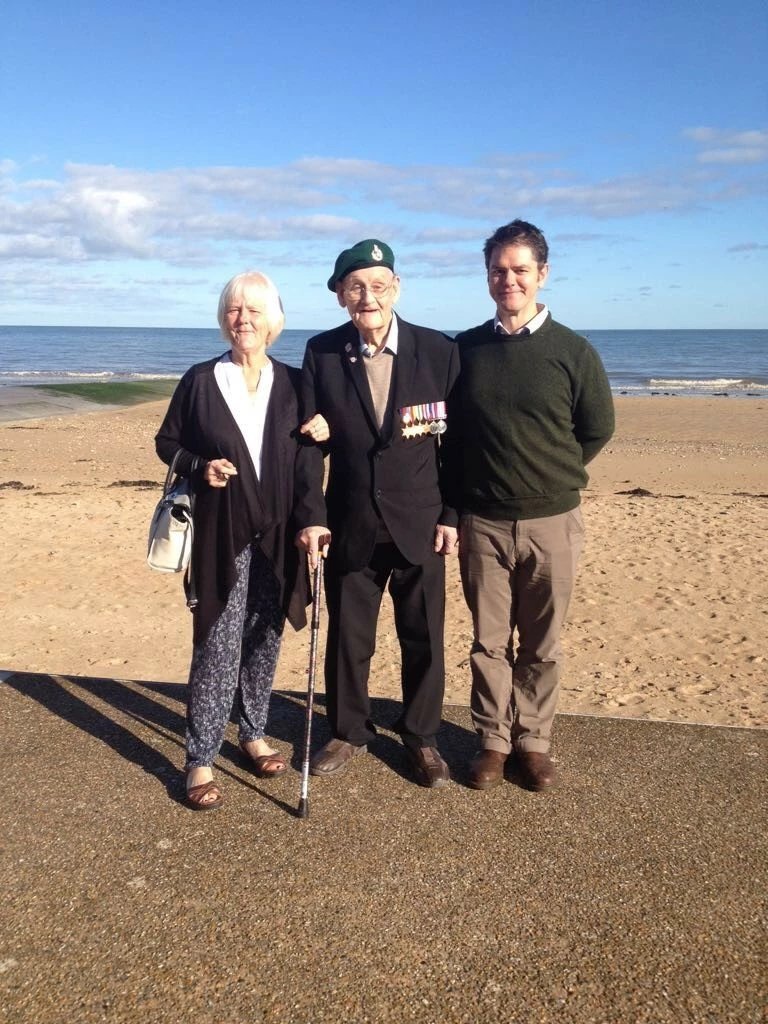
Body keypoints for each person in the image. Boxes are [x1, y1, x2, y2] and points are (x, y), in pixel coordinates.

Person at [442, 220, 615, 792]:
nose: (508, 280)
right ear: (487, 276)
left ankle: (533, 741)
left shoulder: (573, 350)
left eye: (520, 270)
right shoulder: (463, 350)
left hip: (553, 523)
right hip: (482, 522)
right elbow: (451, 439)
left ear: (542, 274)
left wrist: (554, 476)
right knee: (489, 642)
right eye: (498, 270)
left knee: (542, 642)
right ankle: (492, 740)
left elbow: (596, 429)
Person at [294, 239, 460, 788]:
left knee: (424, 639)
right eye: (356, 286)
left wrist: (452, 515)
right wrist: (312, 515)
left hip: (421, 521)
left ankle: (421, 738)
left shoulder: (439, 350)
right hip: (351, 521)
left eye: (379, 284)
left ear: (397, 288)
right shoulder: (320, 353)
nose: (369, 296)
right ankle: (346, 730)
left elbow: (457, 446)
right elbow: (308, 446)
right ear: (341, 295)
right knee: (349, 636)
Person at [155, 271, 309, 810]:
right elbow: (166, 443)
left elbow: (312, 447)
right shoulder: (200, 379)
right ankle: (199, 757)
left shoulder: (293, 381)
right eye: (234, 310)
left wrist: (328, 431)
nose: (243, 319)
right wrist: (200, 467)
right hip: (221, 532)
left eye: (254, 311)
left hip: (280, 533)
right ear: (224, 318)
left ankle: (252, 731)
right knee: (217, 640)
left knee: (265, 636)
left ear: (273, 321)